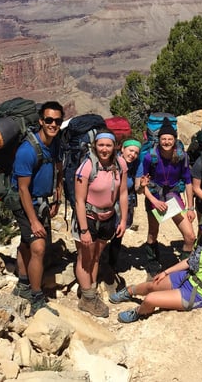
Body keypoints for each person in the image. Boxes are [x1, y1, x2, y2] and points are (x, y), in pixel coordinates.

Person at [108, 209, 202, 323]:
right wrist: (166, 272)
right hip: (189, 277)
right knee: (153, 284)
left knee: (151, 299)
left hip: (199, 293)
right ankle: (129, 291)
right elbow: (190, 261)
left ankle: (138, 312)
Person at [5, 101, 63, 315]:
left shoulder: (55, 142)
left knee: (27, 243)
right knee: (38, 247)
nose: (53, 124)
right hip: (26, 202)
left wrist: (57, 195)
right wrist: (34, 221)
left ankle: (22, 283)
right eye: (49, 120)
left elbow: (58, 167)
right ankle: (37, 297)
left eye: (57, 121)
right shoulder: (27, 150)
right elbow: (22, 190)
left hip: (42, 200)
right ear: (41, 121)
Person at [72, 131, 129, 318]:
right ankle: (88, 298)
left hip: (108, 217)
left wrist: (123, 220)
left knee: (96, 256)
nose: (104, 149)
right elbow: (79, 201)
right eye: (101, 145)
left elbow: (122, 194)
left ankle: (91, 290)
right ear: (95, 146)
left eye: (108, 145)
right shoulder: (87, 166)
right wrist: (83, 230)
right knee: (84, 257)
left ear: (115, 147)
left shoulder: (120, 164)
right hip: (87, 218)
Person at [139, 121, 196, 276]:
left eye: (170, 139)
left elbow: (188, 182)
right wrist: (154, 201)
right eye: (164, 139)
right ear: (159, 139)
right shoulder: (150, 158)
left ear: (175, 139)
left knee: (190, 236)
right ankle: (152, 265)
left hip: (173, 198)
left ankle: (184, 269)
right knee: (153, 233)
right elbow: (143, 184)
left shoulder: (181, 157)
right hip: (155, 198)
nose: (166, 142)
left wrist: (191, 207)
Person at [105, 138, 143, 274]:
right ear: (122, 149)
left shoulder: (137, 164)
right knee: (106, 231)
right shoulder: (112, 162)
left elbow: (137, 188)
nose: (133, 154)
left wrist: (142, 186)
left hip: (126, 201)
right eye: (130, 150)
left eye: (136, 153)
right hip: (108, 201)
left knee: (118, 233)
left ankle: (111, 265)